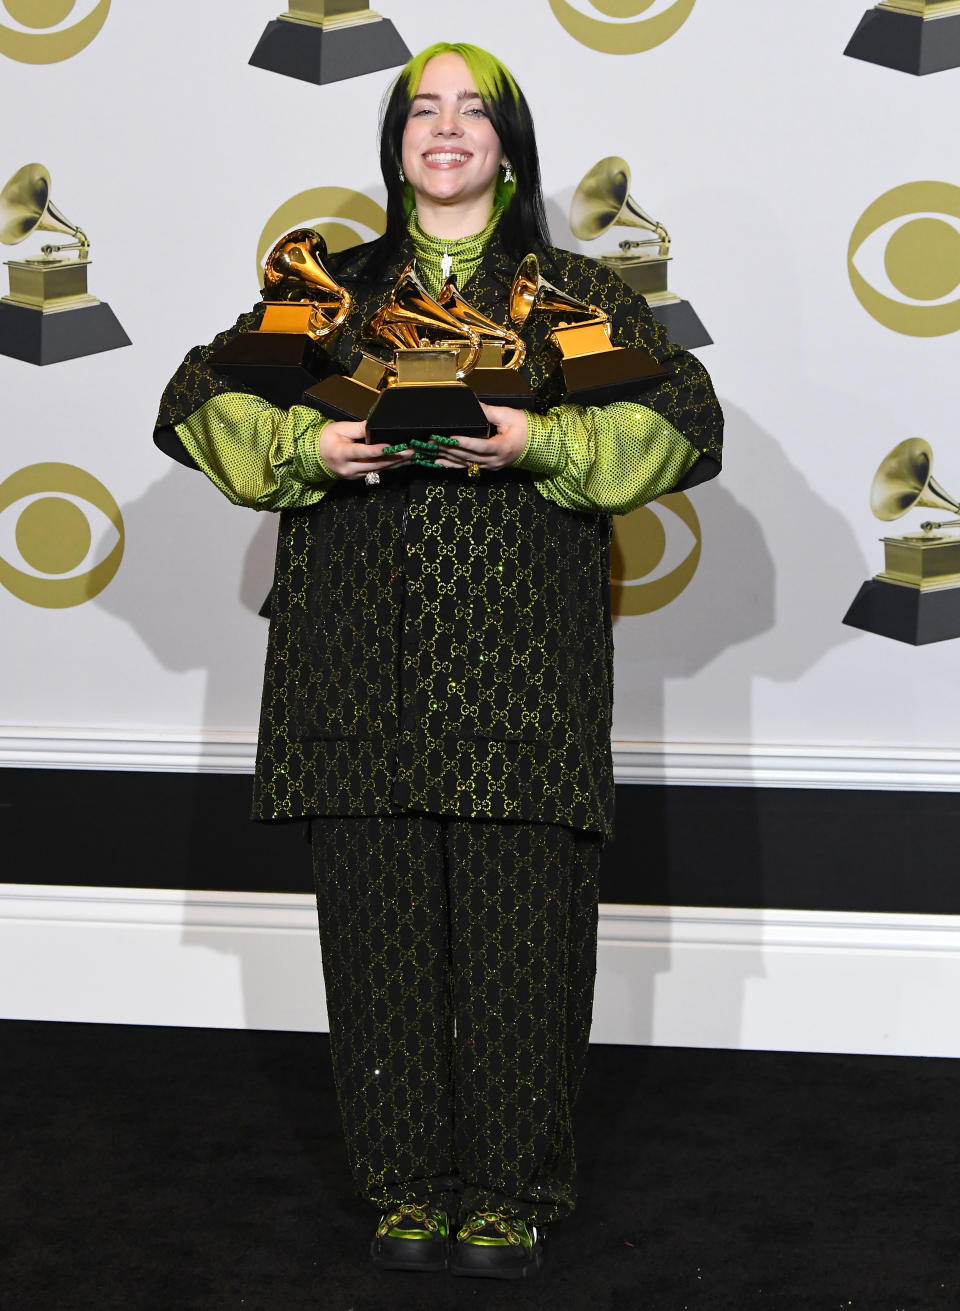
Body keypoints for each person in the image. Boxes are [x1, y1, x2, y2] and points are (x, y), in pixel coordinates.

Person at [154, 41, 723, 1281]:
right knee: (376, 947)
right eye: (424, 110)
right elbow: (196, 396)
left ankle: (509, 1194)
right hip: (354, 670)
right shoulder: (325, 288)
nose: (447, 128)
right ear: (396, 144)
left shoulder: (578, 293)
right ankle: (405, 1187)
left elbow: (685, 424)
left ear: (510, 145)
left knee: (526, 949)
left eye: (474, 111)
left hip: (524, 674)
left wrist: (540, 440)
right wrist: (316, 452)